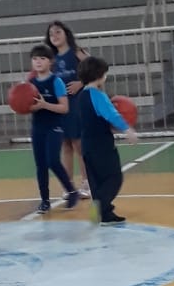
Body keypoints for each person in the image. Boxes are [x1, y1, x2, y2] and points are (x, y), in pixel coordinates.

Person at [78, 55, 138, 225]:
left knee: (96, 181)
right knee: (114, 178)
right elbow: (112, 115)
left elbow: (92, 119)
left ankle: (104, 214)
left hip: (86, 145)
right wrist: (127, 129)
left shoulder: (81, 96)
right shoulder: (98, 95)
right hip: (102, 145)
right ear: (100, 75)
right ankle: (99, 207)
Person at [28, 43, 79, 215]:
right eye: (35, 59)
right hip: (37, 127)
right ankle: (45, 201)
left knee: (52, 161)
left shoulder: (56, 81)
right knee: (40, 165)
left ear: (50, 61)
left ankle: (71, 191)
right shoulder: (30, 83)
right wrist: (23, 106)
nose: (38, 62)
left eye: (42, 58)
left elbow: (64, 108)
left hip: (54, 127)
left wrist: (44, 105)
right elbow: (27, 106)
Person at [45, 20, 90, 197]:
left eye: (58, 32)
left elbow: (96, 69)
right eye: (51, 34)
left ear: (66, 33)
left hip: (77, 104)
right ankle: (69, 186)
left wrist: (81, 83)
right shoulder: (51, 59)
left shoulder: (77, 52)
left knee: (79, 144)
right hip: (60, 106)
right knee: (65, 145)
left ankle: (87, 183)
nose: (54, 36)